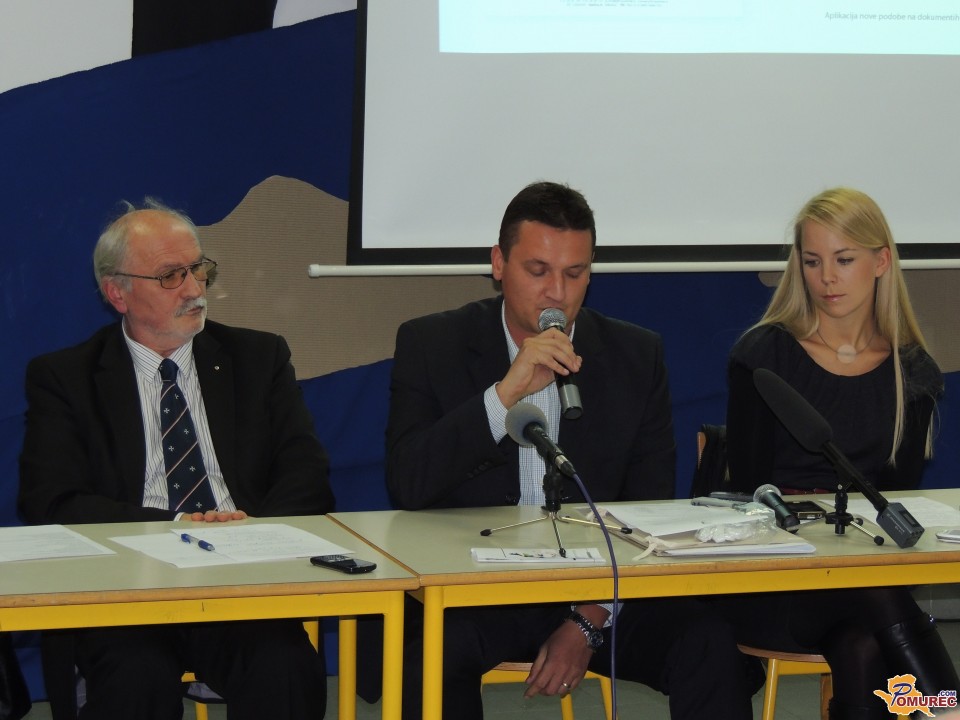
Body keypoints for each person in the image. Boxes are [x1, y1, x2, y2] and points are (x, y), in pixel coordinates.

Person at [386, 180, 760, 720]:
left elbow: (646, 511)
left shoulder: (636, 355)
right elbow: (408, 483)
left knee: (707, 643)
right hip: (476, 589)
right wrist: (504, 394)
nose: (556, 293)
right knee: (428, 660)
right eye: (538, 271)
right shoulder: (431, 344)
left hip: (597, 589)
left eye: (575, 273)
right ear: (498, 264)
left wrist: (588, 620)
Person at [18, 200, 334, 720]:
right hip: (125, 589)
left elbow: (307, 474)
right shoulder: (67, 378)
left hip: (240, 583)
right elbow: (51, 499)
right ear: (117, 293)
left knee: (283, 666)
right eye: (171, 276)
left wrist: (252, 534)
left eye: (198, 269)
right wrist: (176, 527)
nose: (193, 289)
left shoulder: (258, 358)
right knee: (134, 678)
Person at [724, 187, 958, 719]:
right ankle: (949, 711)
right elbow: (749, 491)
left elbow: (897, 504)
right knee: (873, 599)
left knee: (862, 644)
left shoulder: (911, 372)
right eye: (812, 261)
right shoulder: (763, 356)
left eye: (844, 260)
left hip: (864, 573)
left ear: (881, 262)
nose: (827, 277)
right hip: (775, 579)